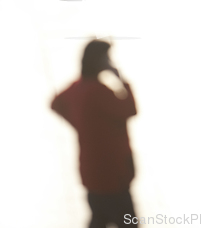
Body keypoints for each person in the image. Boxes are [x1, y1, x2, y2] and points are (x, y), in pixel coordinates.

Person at [51, 40, 137, 228]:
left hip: (91, 171)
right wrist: (122, 80)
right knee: (128, 222)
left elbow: (56, 103)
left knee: (99, 216)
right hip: (111, 171)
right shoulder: (98, 92)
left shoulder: (78, 88)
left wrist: (80, 124)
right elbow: (131, 109)